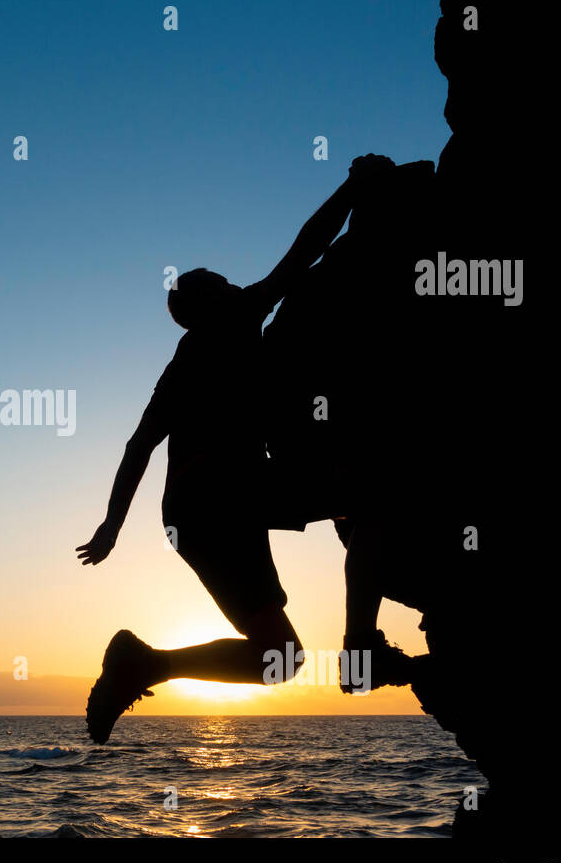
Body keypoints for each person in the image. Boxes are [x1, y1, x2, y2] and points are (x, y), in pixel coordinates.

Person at [77, 155, 410, 743]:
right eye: (224, 284)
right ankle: (361, 645)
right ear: (212, 302)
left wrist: (112, 526)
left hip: (191, 514)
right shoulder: (233, 320)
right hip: (224, 491)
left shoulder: (177, 368)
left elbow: (139, 447)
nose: (236, 286)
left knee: (279, 659)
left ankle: (145, 664)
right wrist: (353, 188)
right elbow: (304, 250)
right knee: (375, 491)